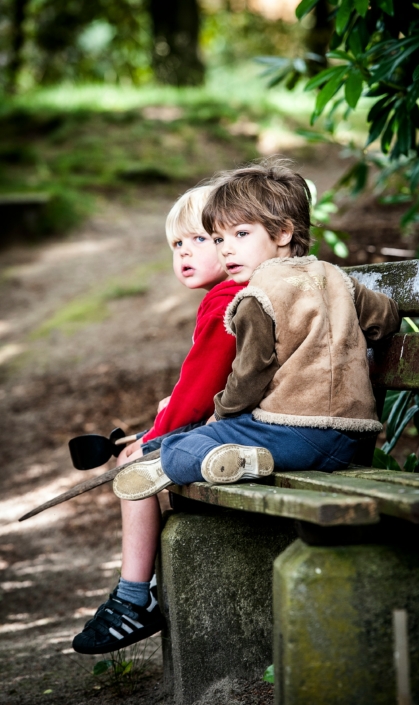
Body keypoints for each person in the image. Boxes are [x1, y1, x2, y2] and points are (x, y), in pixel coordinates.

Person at [112, 159, 400, 500]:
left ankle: (228, 460)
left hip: (294, 435)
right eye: (218, 239)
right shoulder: (335, 277)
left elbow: (249, 375)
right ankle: (241, 458)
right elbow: (386, 319)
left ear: (283, 233)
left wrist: (220, 416)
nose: (226, 248)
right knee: (206, 438)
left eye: (241, 234)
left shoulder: (256, 296)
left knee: (178, 445)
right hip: (352, 439)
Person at [72, 184, 246, 654]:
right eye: (176, 244)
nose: (184, 252)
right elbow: (204, 385)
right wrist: (167, 416)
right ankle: (138, 591)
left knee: (134, 465)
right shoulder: (229, 296)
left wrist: (156, 436)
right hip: (246, 421)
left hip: (250, 430)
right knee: (145, 445)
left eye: (200, 239)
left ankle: (133, 598)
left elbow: (200, 388)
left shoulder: (228, 302)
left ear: (229, 241)